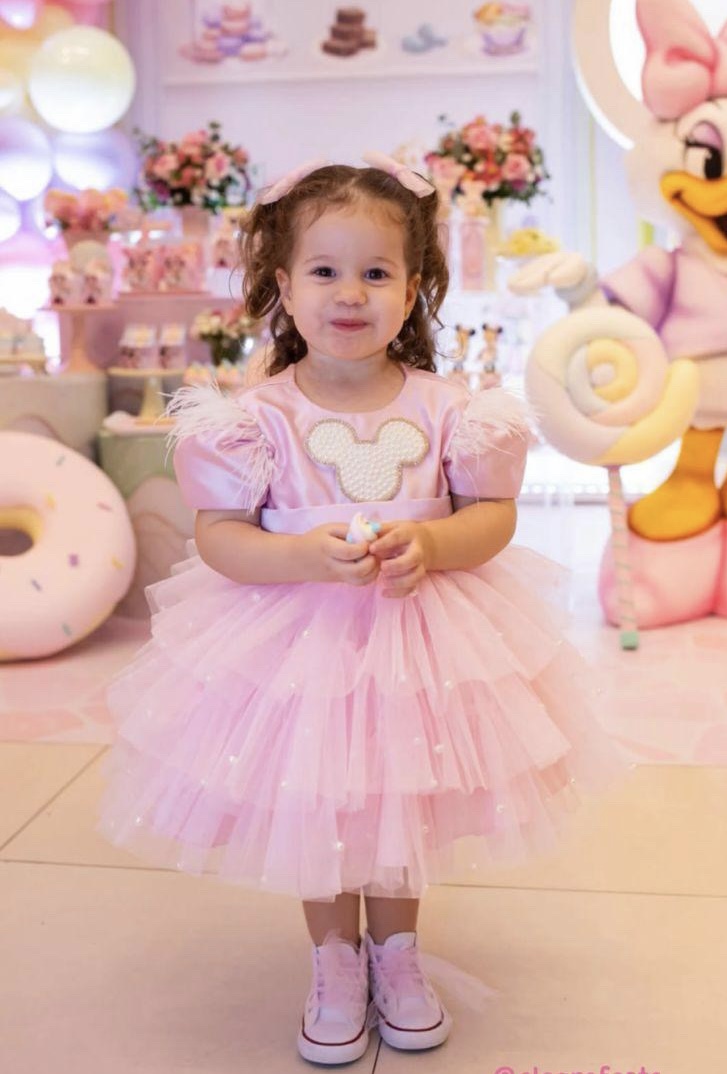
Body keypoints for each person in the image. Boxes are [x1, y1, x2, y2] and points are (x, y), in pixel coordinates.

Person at [98, 155, 628, 1066]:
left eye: (376, 272)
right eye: (324, 271)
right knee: (316, 800)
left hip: (422, 648)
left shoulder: (454, 410)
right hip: (295, 649)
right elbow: (220, 538)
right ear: (283, 286)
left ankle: (398, 954)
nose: (350, 293)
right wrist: (300, 555)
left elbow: (491, 518)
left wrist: (433, 544)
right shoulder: (253, 420)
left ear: (412, 290)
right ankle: (334, 961)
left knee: (398, 801)